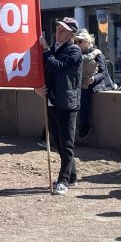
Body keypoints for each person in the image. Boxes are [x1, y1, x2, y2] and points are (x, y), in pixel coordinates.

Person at [35, 17, 82, 195]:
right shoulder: (52, 49)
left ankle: (63, 180)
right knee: (60, 142)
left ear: (72, 33)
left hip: (67, 103)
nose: (59, 32)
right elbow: (42, 72)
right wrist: (37, 89)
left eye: (63, 29)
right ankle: (72, 177)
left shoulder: (74, 50)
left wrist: (46, 49)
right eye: (58, 28)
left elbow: (56, 67)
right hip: (51, 101)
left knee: (67, 143)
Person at [74, 29, 115, 139]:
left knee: (83, 94)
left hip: (98, 83)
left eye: (79, 41)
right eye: (75, 41)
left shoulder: (97, 53)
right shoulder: (78, 53)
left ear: (87, 41)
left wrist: (93, 79)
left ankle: (85, 125)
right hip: (83, 83)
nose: (77, 44)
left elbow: (104, 73)